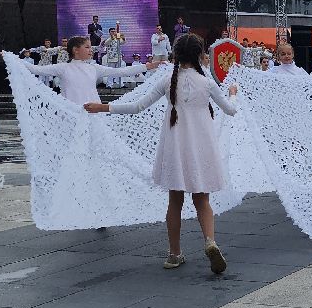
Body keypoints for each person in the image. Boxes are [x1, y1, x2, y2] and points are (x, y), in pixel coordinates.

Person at [85, 34, 237, 273]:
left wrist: (104, 107)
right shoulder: (206, 83)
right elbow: (231, 110)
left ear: (174, 55)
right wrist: (233, 92)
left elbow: (137, 106)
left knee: (175, 202)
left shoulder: (168, 80)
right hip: (202, 148)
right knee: (203, 200)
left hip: (175, 148)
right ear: (200, 55)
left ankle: (174, 254)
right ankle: (210, 241)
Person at [30, 37, 161, 104]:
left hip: (93, 111)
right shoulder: (63, 68)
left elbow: (121, 72)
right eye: (87, 47)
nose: (90, 50)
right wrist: (12, 59)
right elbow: (36, 69)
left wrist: (148, 66)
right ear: (76, 50)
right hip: (71, 113)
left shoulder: (94, 68)